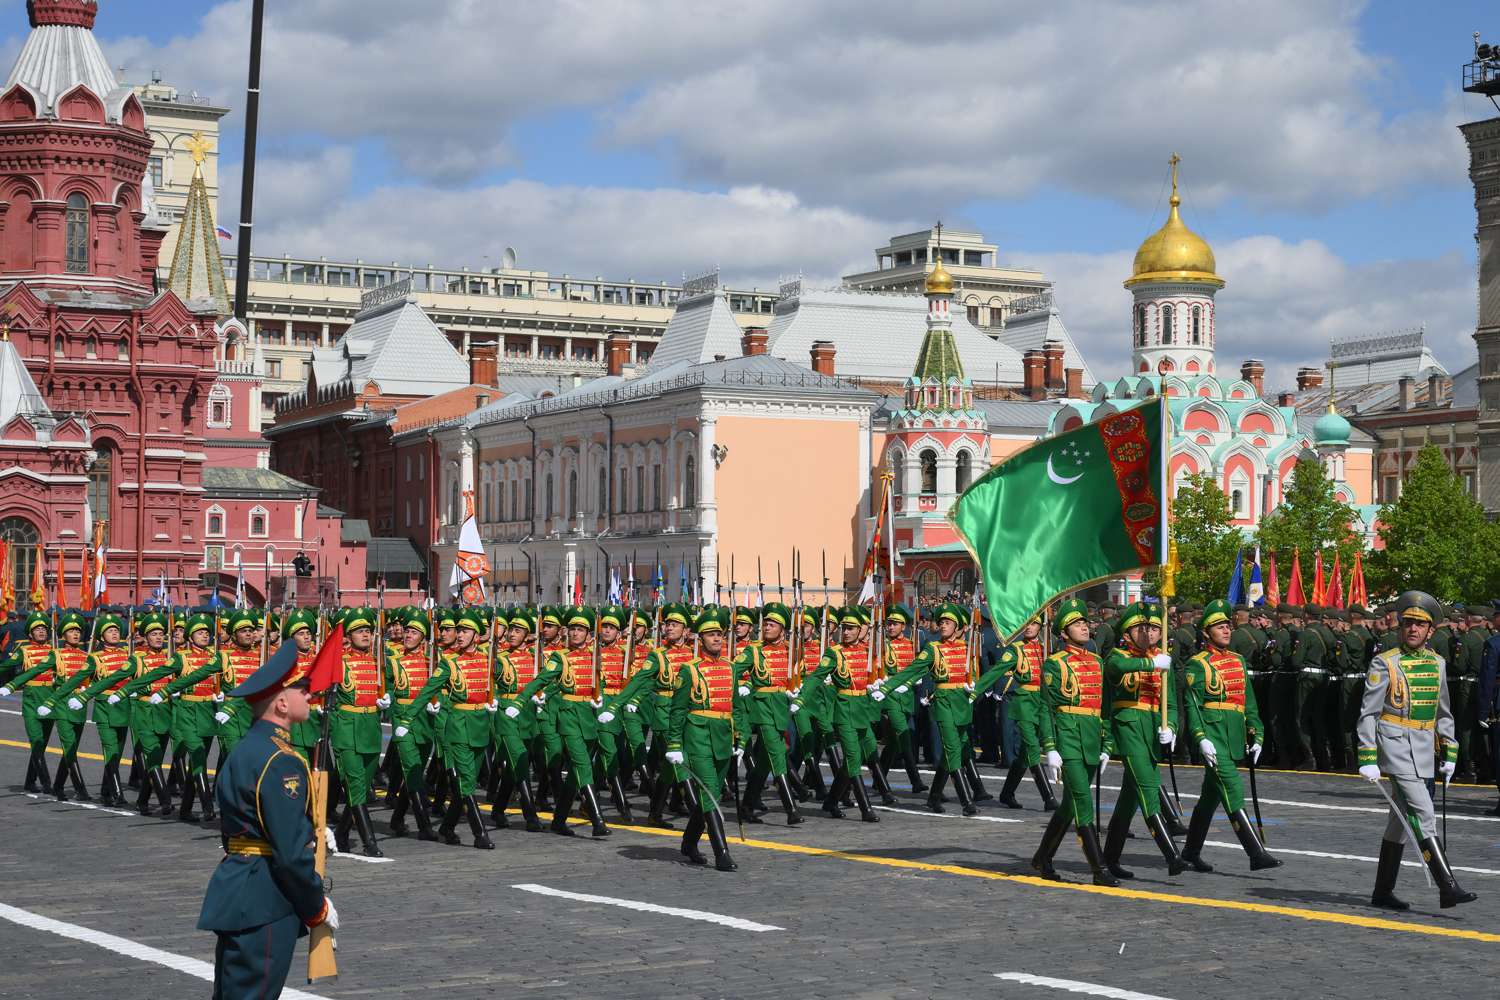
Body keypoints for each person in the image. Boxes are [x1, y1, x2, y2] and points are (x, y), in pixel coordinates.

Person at [199, 639, 337, 999]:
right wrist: (316, 907)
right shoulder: (282, 760)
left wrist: (312, 830)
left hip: (241, 890)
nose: (309, 695)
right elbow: (289, 854)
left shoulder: (247, 749)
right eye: (301, 690)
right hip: (265, 898)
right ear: (280, 703)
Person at [1360, 591, 1476, 911]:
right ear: (1400, 627)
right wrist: (1368, 757)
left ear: (1430, 631)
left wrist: (1450, 753)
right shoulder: (1384, 663)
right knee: (1424, 815)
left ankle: (1382, 892)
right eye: (1408, 623)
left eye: (1419, 625)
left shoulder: (1438, 664)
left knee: (1398, 825)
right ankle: (1447, 886)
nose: (1412, 629)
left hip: (1425, 750)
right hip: (1396, 747)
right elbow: (1368, 713)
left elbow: (1444, 713)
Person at [1180, 599, 1279, 871]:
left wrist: (1257, 734)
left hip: (1234, 737)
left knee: (1210, 798)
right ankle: (1255, 853)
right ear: (1205, 632)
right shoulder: (1197, 664)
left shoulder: (1237, 661)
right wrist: (1200, 737)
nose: (1226, 630)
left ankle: (1189, 853)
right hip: (1213, 737)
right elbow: (1192, 704)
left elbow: (1248, 703)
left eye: (1227, 625)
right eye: (1219, 626)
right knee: (1232, 787)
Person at [1029, 598, 1116, 886]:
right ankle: (1099, 869)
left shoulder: (1097, 662)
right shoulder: (1055, 664)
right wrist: (1050, 748)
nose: (1084, 626)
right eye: (1076, 624)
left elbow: (1105, 708)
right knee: (1082, 801)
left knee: (1069, 805)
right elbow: (1046, 709)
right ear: (1064, 633)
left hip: (1091, 739)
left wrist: (1106, 745)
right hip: (1067, 739)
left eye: (1084, 622)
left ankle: (1043, 856)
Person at [1099, 601, 1185, 878]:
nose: (1148, 633)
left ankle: (1109, 858)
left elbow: (1170, 702)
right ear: (1126, 633)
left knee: (1129, 798)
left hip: (1151, 731)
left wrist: (1170, 727)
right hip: (1128, 728)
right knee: (1148, 788)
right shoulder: (1117, 655)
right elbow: (1116, 668)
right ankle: (1172, 855)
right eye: (1140, 628)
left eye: (1153, 628)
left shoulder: (1162, 659)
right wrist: (1150, 662)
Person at [666, 607, 743, 871]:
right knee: (709, 790)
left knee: (712, 793)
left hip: (722, 737)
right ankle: (722, 853)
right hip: (697, 737)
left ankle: (688, 843)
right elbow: (677, 710)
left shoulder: (731, 668)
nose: (716, 639)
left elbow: (736, 707)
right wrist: (674, 744)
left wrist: (740, 739)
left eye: (719, 634)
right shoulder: (689, 670)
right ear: (700, 640)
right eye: (710, 635)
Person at [0, 611, 57, 792]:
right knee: (36, 741)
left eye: (43, 629)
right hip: (32, 700)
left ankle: (29, 782)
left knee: (42, 743)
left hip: (49, 699)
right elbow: (5, 665)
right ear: (30, 633)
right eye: (37, 629)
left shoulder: (54, 651)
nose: (41, 632)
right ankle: (48, 784)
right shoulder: (24, 651)